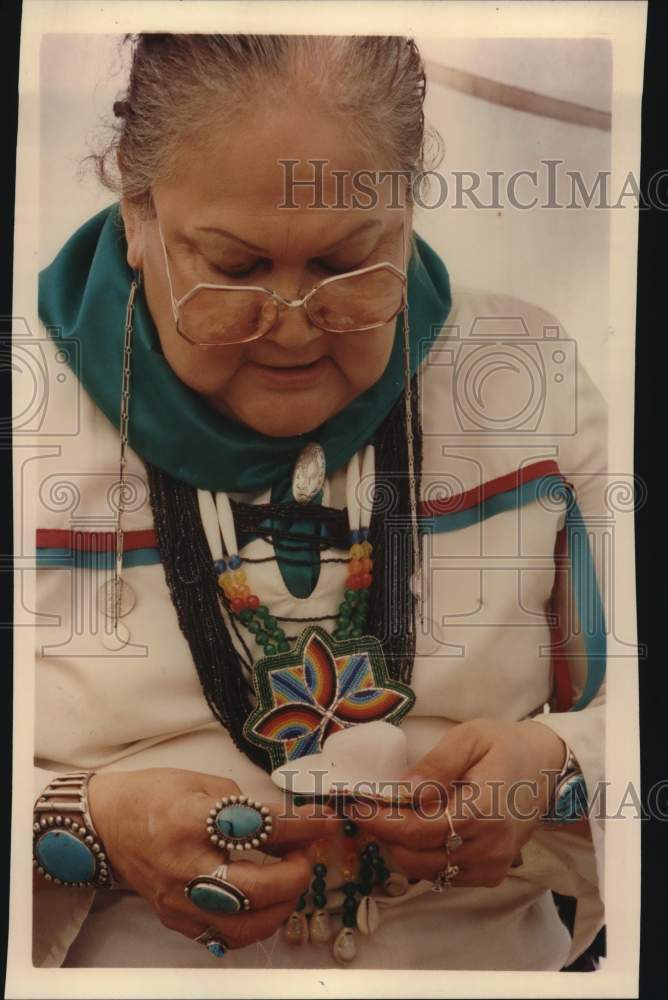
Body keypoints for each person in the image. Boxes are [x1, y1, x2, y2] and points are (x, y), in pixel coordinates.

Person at [32, 33, 607, 971]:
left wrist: (561, 772)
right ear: (138, 215)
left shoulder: (523, 382)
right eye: (238, 267)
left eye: (349, 261)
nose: (294, 326)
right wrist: (81, 823)